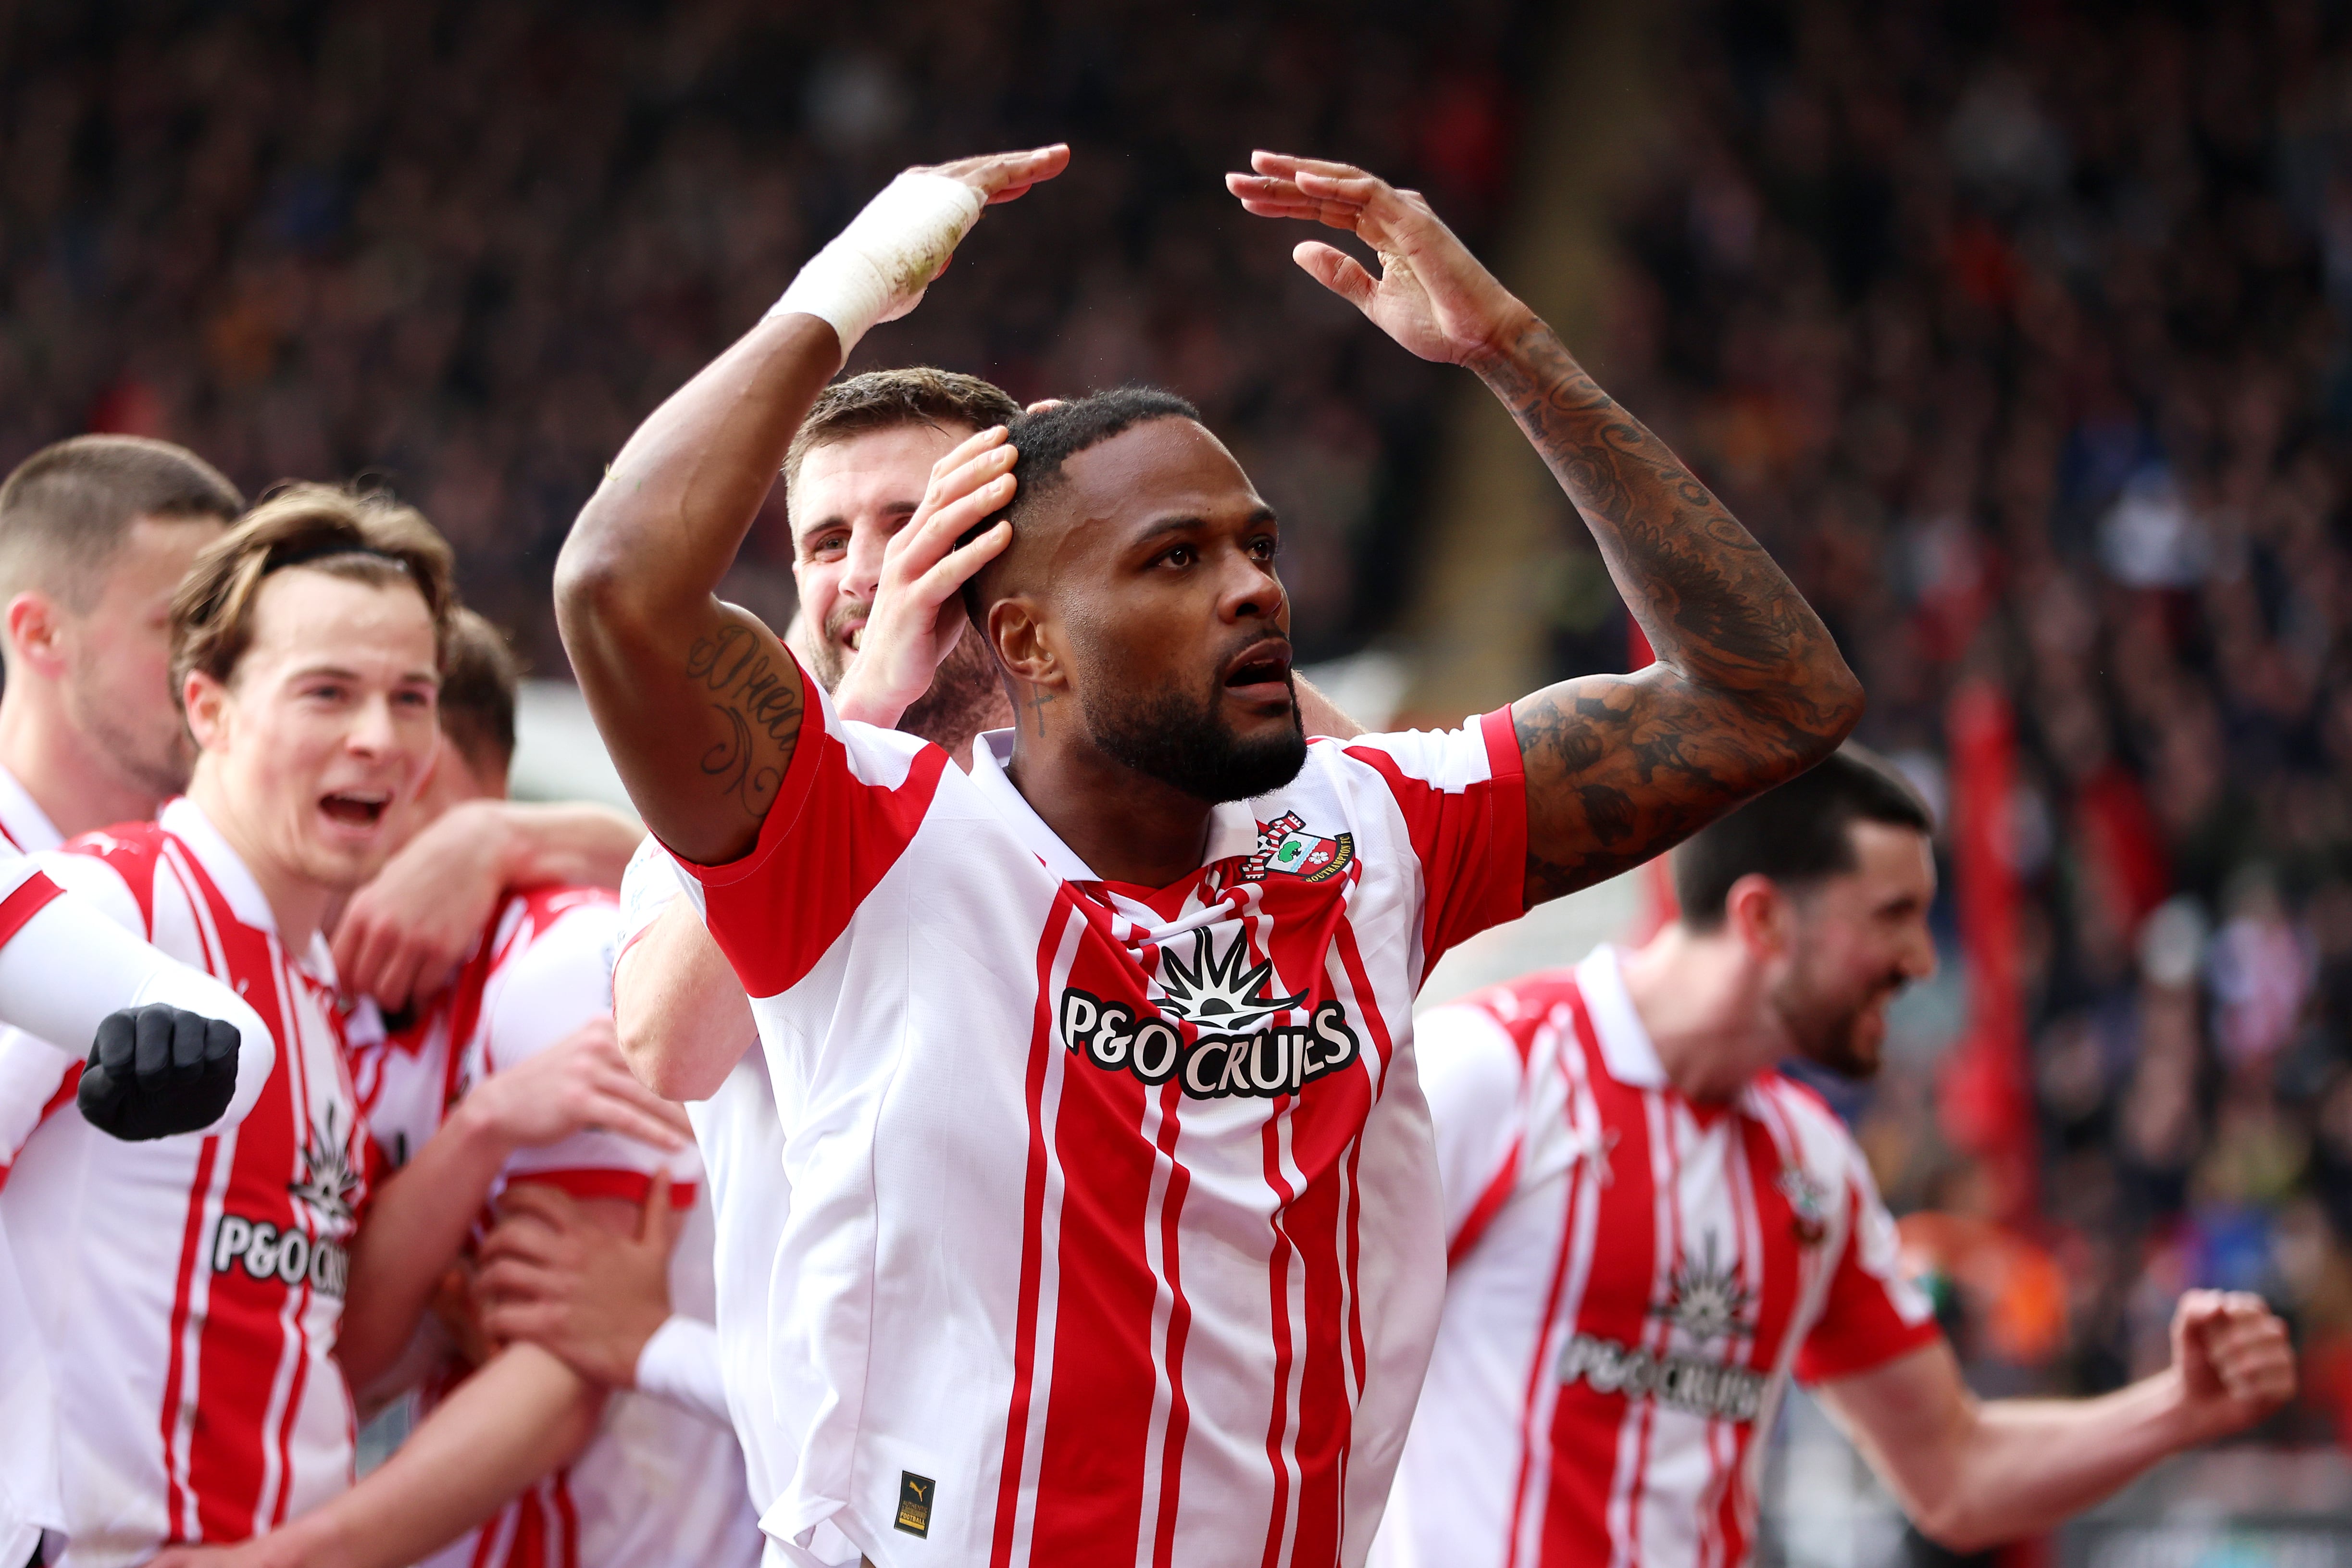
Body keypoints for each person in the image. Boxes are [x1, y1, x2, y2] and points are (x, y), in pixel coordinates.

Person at [555, 133, 1863, 1568]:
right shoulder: (857, 832)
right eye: (1174, 559)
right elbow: (619, 587)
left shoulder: (1371, 836)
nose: (1249, 585)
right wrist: (845, 288)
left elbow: (1775, 700)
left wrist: (1511, 354)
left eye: (1257, 545)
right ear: (1030, 634)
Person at [1374, 749, 2299, 1568]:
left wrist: (2177, 1407)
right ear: (1764, 920)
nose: (1919, 961)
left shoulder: (1811, 1163)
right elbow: (1293, 1372)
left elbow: (1955, 1474)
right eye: (1893, 915)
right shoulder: (1491, 1070)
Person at [0, 488, 684, 1567]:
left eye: (409, 698)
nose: (378, 739)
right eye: (327, 692)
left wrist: (479, 1153)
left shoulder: (317, 1006)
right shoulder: (111, 912)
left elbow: (320, 1350)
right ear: (208, 708)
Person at [156, 609, 751, 1568]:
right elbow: (346, 1354)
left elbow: (564, 1368)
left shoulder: (558, 957)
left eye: (401, 709)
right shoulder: (324, 997)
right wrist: (471, 1150)